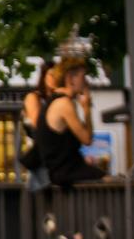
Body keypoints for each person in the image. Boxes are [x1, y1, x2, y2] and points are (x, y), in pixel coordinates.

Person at [35, 58, 107, 187]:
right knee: (110, 181)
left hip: (61, 172)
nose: (86, 82)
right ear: (70, 79)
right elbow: (87, 139)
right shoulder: (64, 103)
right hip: (65, 172)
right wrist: (87, 109)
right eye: (82, 77)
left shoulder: (55, 101)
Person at [19, 61, 56, 188]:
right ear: (43, 76)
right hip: (40, 156)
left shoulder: (61, 99)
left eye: (58, 76)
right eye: (51, 75)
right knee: (42, 189)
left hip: (56, 156)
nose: (55, 79)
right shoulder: (34, 98)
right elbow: (38, 126)